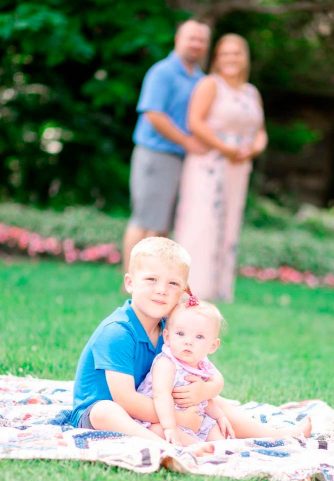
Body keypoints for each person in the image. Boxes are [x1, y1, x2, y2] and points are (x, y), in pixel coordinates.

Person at [70, 236, 224, 444]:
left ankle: (274, 434)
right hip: (106, 411)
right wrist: (181, 419)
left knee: (205, 401)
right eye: (151, 279)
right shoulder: (117, 332)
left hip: (153, 407)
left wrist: (204, 391)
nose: (161, 290)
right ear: (130, 283)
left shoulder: (171, 330)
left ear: (183, 292)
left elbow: (207, 372)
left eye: (173, 283)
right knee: (105, 411)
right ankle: (161, 443)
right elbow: (125, 400)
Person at [135, 296, 312, 445]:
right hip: (165, 418)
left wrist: (219, 416)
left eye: (199, 337)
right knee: (158, 431)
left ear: (213, 345)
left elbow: (206, 399)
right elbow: (161, 396)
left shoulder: (200, 364)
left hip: (196, 417)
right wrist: (170, 426)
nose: (188, 341)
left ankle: (225, 449)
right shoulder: (166, 364)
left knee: (218, 433)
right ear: (167, 336)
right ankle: (199, 448)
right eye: (180, 334)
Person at [175, 33, 268, 302]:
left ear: (244, 57)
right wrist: (224, 147)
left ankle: (220, 289)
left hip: (238, 167)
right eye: (225, 53)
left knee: (229, 224)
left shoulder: (252, 92)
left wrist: (253, 148)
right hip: (209, 163)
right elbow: (195, 122)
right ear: (217, 58)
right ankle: (192, 289)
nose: (231, 58)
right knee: (202, 222)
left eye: (236, 53)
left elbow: (261, 131)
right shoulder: (209, 85)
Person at [122, 19, 211, 272]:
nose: (196, 44)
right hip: (156, 153)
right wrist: (188, 142)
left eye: (201, 40)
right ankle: (130, 283)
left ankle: (153, 282)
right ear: (178, 40)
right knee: (143, 221)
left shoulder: (201, 79)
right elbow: (154, 114)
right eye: (191, 38)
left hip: (182, 159)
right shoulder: (162, 72)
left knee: (161, 226)